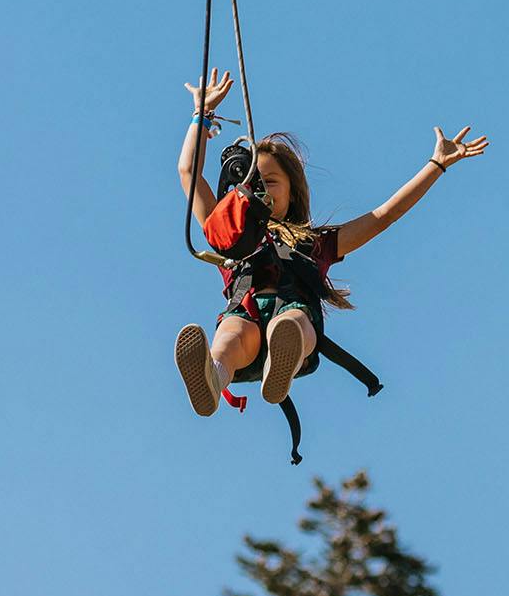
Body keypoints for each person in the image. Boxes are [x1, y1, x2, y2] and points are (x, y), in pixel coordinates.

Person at [173, 68, 490, 416]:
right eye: (252, 181)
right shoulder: (232, 233)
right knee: (230, 334)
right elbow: (189, 173)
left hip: (295, 321)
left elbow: (383, 215)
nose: (259, 188)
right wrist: (201, 116)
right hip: (245, 316)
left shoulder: (317, 243)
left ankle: (282, 362)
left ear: (292, 193)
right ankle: (212, 378)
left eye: (270, 181)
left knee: (290, 322)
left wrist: (435, 165)